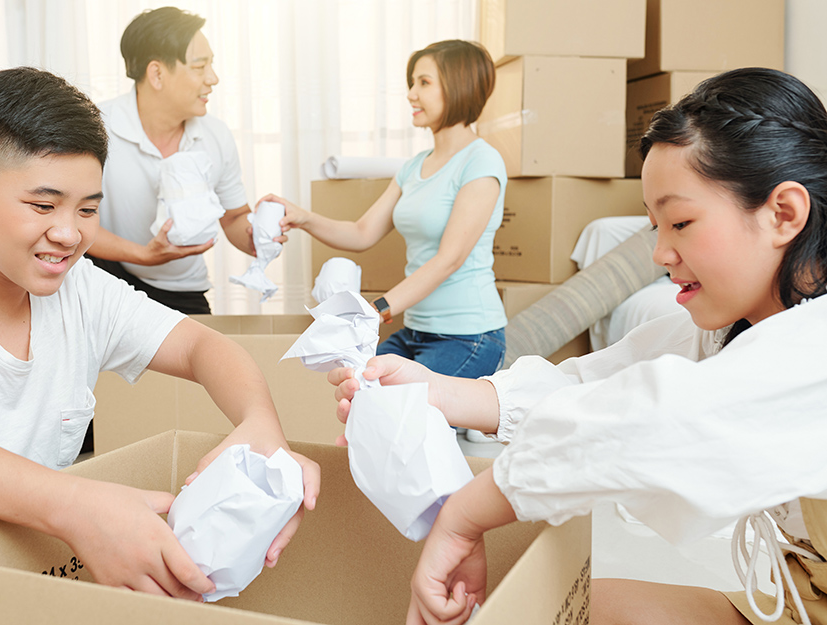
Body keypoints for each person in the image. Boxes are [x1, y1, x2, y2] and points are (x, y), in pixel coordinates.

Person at [0, 66, 319, 625]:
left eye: (88, 209)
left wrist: (261, 424)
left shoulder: (84, 294)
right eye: (43, 206)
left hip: (23, 574)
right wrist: (70, 504)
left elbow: (202, 347)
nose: (70, 233)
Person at [330, 67, 827, 625]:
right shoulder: (727, 329)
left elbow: (651, 417)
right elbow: (599, 383)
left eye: (681, 223)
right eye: (654, 226)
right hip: (803, 603)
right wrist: (440, 391)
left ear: (783, 213)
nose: (660, 254)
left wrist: (465, 516)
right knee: (557, 603)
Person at [263, 39, 507, 381]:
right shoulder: (413, 167)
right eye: (412, 83)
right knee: (356, 389)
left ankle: (471, 418)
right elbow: (362, 233)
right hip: (415, 333)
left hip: (469, 338)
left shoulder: (481, 161)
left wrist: (377, 308)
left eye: (423, 83)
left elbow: (449, 259)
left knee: (392, 412)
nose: (410, 94)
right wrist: (303, 217)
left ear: (459, 87)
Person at [88, 6, 269, 314]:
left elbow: (235, 218)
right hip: (106, 279)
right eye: (200, 67)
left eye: (211, 65)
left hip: (182, 288)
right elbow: (71, 221)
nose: (213, 79)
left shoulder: (215, 135)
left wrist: (261, 235)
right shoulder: (95, 127)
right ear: (157, 73)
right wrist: (144, 255)